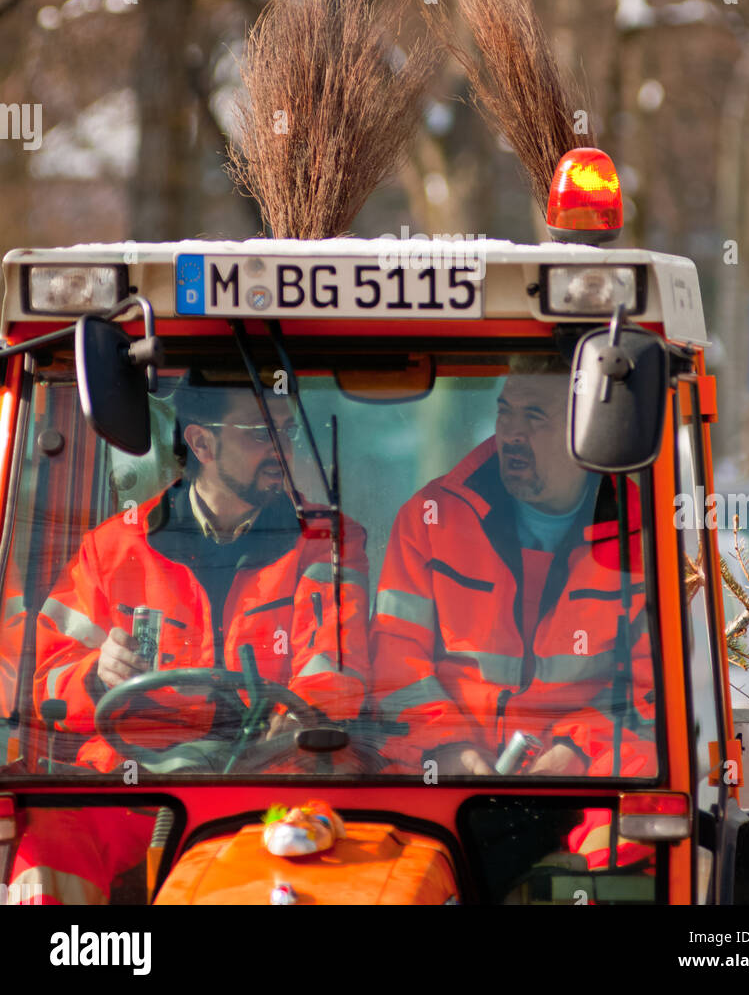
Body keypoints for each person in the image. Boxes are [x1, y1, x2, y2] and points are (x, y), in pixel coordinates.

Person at [9, 378, 369, 904]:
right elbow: (40, 683)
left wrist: (305, 713)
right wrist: (94, 673)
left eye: (286, 431)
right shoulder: (111, 548)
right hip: (133, 783)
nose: (282, 449)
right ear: (201, 444)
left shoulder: (325, 540)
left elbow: (333, 659)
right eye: (260, 434)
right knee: (47, 846)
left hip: (271, 780)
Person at [371, 354, 655, 778]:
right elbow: (396, 664)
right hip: (444, 778)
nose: (512, 434)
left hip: (585, 786)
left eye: (534, 417)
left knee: (633, 816)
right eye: (505, 413)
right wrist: (451, 749)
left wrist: (574, 749)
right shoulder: (431, 519)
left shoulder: (643, 538)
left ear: (587, 432)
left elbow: (649, 691)